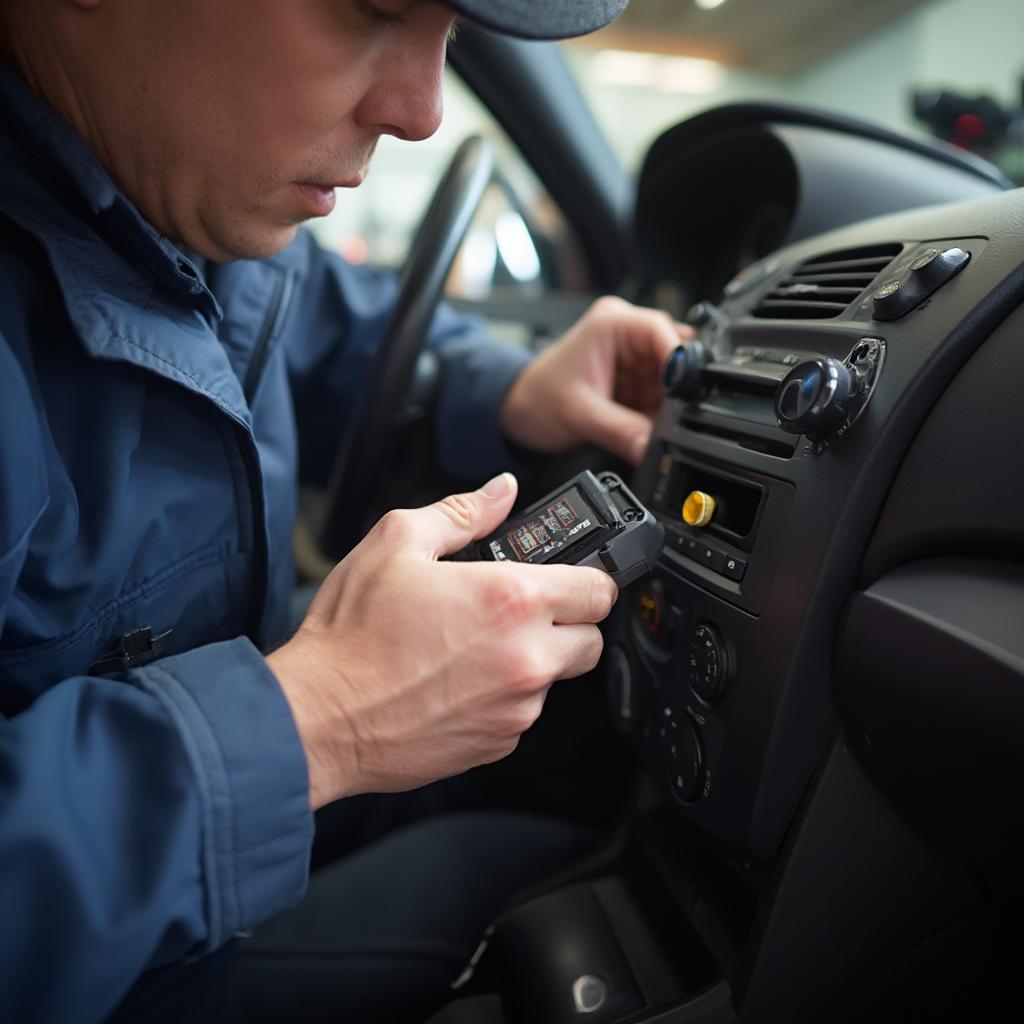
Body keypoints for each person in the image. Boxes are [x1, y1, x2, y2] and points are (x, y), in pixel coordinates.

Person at [0, 1, 691, 1020]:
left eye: (449, 35)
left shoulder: (182, 200)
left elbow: (319, 321)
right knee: (568, 881)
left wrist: (498, 383)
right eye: (370, 11)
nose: (422, 110)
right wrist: (318, 720)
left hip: (183, 819)